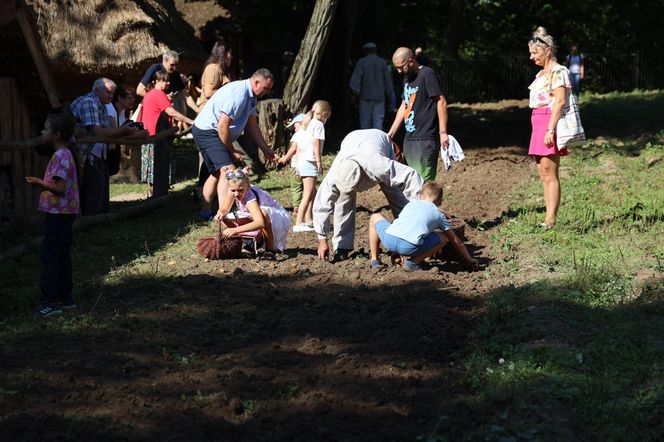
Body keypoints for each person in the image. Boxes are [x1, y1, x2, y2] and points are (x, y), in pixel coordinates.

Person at [312, 129, 423, 262]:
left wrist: (419, 209)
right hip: (351, 140)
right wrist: (322, 239)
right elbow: (321, 205)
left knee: (395, 193)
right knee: (343, 199)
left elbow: (410, 176)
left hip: (378, 140)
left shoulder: (378, 164)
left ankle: (409, 236)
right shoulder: (335, 174)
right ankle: (341, 247)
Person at [192, 68, 277, 221]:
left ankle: (205, 212)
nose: (268, 92)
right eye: (266, 88)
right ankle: (225, 215)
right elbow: (222, 125)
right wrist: (231, 151)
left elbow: (252, 125)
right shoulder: (239, 94)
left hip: (213, 131)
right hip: (208, 131)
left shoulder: (252, 97)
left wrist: (265, 149)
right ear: (256, 82)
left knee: (217, 173)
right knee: (228, 171)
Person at [25, 108, 80, 317]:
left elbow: (59, 188)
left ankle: (51, 301)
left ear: (56, 134)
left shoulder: (60, 156)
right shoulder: (66, 153)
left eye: (46, 128)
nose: (42, 130)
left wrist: (39, 183)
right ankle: (66, 298)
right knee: (62, 254)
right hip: (65, 213)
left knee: (50, 255)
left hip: (59, 213)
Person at [71, 78, 147, 215]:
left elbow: (110, 133)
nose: (110, 96)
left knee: (98, 188)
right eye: (107, 92)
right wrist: (126, 131)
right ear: (96, 90)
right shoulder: (89, 102)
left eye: (112, 93)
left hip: (93, 151)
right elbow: (98, 132)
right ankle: (90, 222)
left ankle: (97, 220)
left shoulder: (101, 104)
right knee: (91, 189)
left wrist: (133, 134)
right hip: (83, 152)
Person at [368, 181, 477, 272]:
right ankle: (413, 263)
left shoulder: (411, 204)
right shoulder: (438, 215)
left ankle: (375, 261)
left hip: (389, 239)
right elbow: (455, 240)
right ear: (440, 201)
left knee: (375, 216)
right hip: (408, 247)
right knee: (443, 238)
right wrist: (469, 259)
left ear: (420, 196)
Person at [528, 27, 572, 229]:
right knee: (543, 172)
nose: (531, 57)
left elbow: (560, 101)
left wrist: (550, 129)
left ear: (548, 51)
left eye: (534, 52)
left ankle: (551, 219)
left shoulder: (558, 71)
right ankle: (548, 216)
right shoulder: (540, 74)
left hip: (549, 122)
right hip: (538, 121)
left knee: (550, 172)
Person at [387, 47, 449, 182]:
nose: (398, 71)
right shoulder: (407, 78)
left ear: (410, 61)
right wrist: (390, 134)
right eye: (395, 68)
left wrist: (443, 132)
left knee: (424, 183)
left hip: (425, 138)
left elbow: (441, 102)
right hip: (409, 138)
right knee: (410, 181)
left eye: (400, 67)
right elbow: (404, 105)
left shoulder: (427, 75)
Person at [140, 69, 194, 197]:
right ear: (156, 81)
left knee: (152, 172)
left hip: (149, 136)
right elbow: (172, 112)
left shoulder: (149, 94)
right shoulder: (159, 94)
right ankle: (159, 197)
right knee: (159, 169)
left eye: (168, 81)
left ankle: (152, 195)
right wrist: (191, 121)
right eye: (164, 81)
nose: (167, 84)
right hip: (157, 136)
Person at [218, 168, 291, 253]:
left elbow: (260, 222)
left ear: (248, 186)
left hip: (278, 219)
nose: (236, 194)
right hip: (259, 216)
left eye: (240, 190)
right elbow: (224, 209)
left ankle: (270, 250)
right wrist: (221, 213)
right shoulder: (234, 190)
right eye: (233, 190)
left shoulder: (250, 199)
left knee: (263, 213)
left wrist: (234, 230)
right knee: (226, 218)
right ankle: (251, 242)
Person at [291, 100, 331, 232]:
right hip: (310, 161)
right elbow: (316, 143)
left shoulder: (307, 124)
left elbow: (299, 144)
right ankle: (298, 223)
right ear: (325, 113)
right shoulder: (318, 125)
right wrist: (319, 161)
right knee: (308, 194)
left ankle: (309, 220)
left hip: (303, 160)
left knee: (312, 192)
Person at [349, 42, 393, 130]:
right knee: (378, 122)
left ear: (366, 50)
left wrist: (355, 93)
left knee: (364, 122)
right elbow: (388, 81)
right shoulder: (382, 62)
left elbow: (356, 79)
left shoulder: (362, 62)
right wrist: (389, 94)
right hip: (380, 97)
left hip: (365, 97)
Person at [277, 113, 307, 213]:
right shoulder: (311, 134)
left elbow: (294, 148)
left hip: (296, 166)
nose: (294, 129)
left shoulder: (298, 134)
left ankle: (297, 206)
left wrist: (285, 158)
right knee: (308, 186)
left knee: (296, 186)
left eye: (294, 126)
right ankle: (309, 204)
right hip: (308, 165)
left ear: (301, 123)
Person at [106, 84, 136, 176]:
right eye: (129, 98)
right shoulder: (110, 108)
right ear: (119, 98)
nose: (132, 100)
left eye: (133, 98)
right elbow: (116, 131)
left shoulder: (121, 111)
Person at [199, 41, 234, 110]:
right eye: (230, 53)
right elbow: (208, 93)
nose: (231, 57)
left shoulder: (222, 70)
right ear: (223, 53)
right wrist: (229, 91)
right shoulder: (213, 68)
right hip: (209, 114)